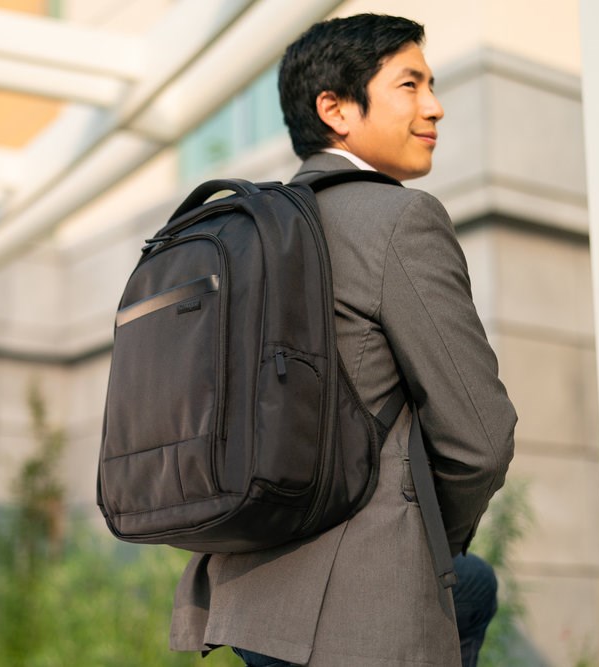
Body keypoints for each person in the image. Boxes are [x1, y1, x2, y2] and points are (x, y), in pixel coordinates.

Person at [170, 14, 517, 667]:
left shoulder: (242, 231)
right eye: (409, 85)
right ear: (334, 108)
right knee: (467, 581)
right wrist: (435, 539)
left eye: (432, 85)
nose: (435, 106)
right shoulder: (399, 218)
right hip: (359, 610)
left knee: (471, 587)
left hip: (246, 598)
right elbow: (482, 437)